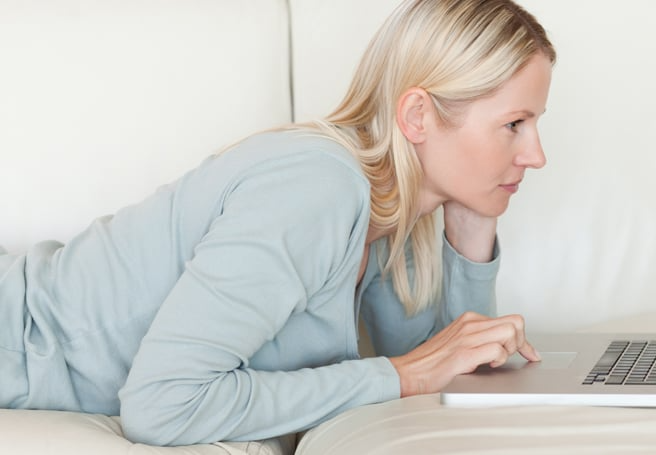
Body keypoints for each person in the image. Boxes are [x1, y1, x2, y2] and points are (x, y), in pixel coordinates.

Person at [0, 0, 555, 447]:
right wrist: (400, 375)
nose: (536, 156)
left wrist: (474, 223)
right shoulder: (317, 190)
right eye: (513, 124)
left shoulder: (394, 207)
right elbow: (162, 405)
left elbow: (449, 365)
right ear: (417, 117)